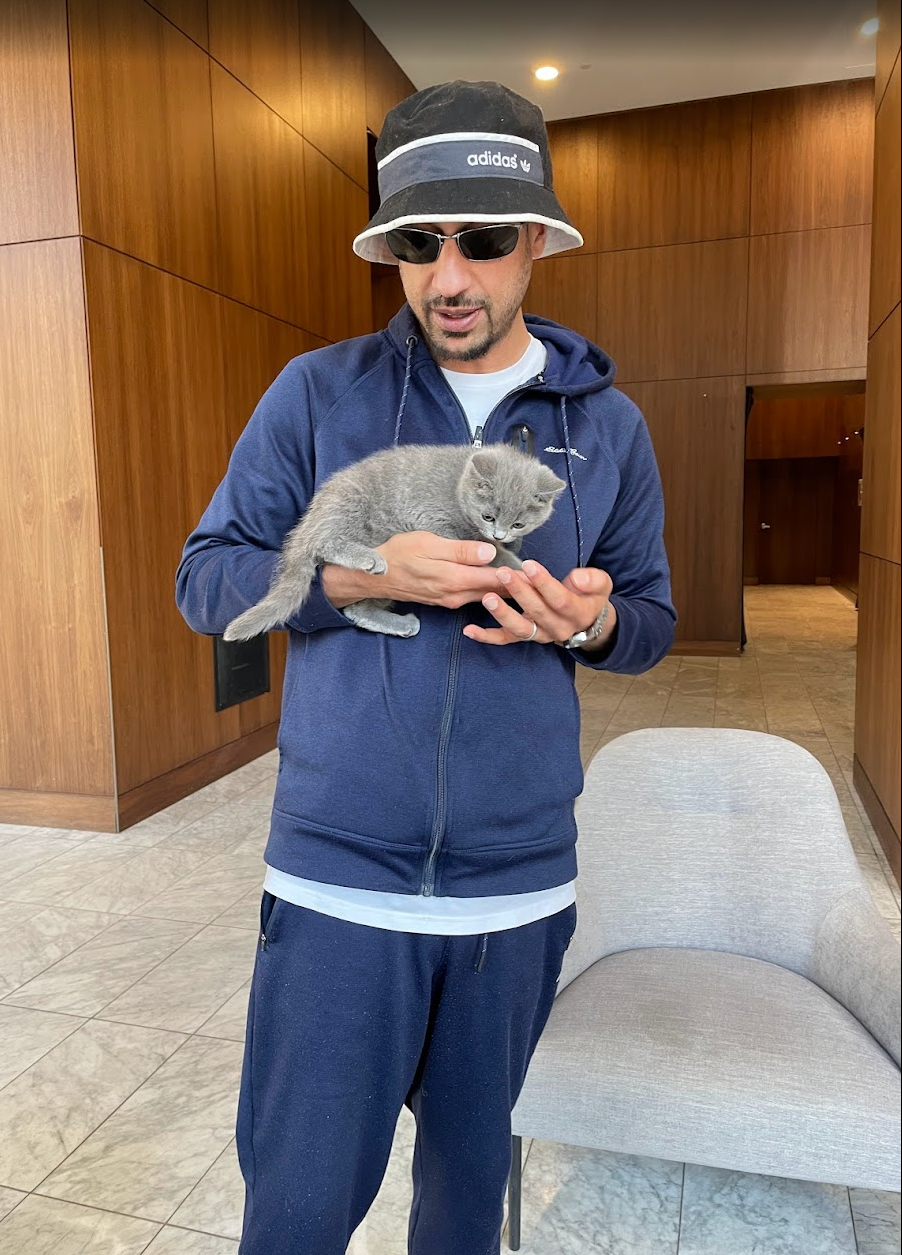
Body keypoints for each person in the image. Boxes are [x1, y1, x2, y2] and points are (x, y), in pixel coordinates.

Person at [176, 79, 676, 1255]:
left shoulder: (610, 428)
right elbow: (209, 580)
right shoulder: (318, 393)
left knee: (462, 1218)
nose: (448, 277)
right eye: (416, 242)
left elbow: (648, 618)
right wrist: (359, 579)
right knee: (294, 1217)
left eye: (484, 240)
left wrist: (586, 624)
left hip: (518, 889)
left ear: (539, 243)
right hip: (337, 880)